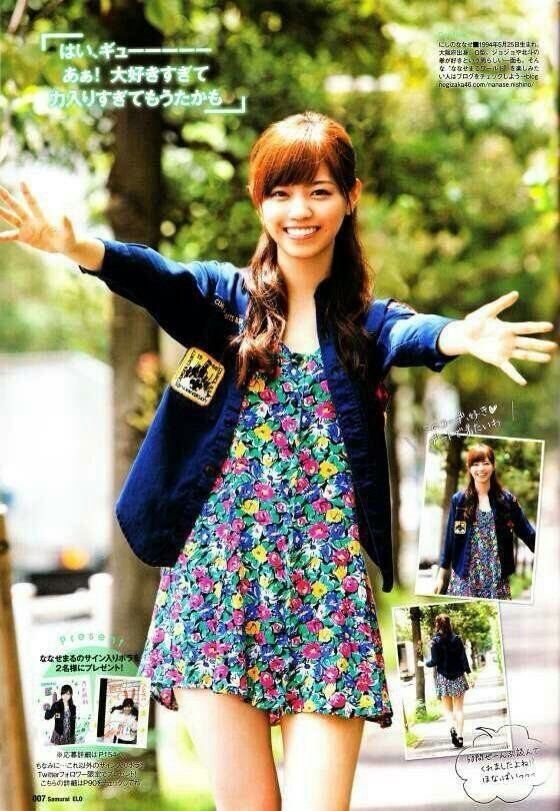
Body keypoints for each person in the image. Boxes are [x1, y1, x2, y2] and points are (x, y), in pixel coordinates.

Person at [1, 110, 556, 811]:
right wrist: (80, 248)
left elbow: (413, 334)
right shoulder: (222, 303)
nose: (300, 210)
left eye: (319, 191)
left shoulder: (365, 325)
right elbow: (158, 279)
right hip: (215, 589)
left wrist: (459, 337)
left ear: (350, 198)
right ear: (259, 201)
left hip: (326, 595)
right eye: (281, 192)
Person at [435, 443, 536, 600]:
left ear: (493, 466)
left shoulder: (507, 501)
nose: (481, 469)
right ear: (469, 468)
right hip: (464, 579)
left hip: (497, 580)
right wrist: (441, 576)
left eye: (485, 463)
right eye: (475, 464)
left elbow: (528, 534)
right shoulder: (459, 501)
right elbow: (450, 540)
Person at [425, 614, 471, 749]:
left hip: (443, 678)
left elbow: (434, 661)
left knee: (448, 710)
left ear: (437, 625)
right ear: (449, 624)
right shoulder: (457, 639)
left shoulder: (435, 641)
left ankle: (452, 728)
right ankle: (460, 737)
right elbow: (463, 659)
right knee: (459, 709)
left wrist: (424, 663)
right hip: (458, 677)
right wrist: (469, 674)